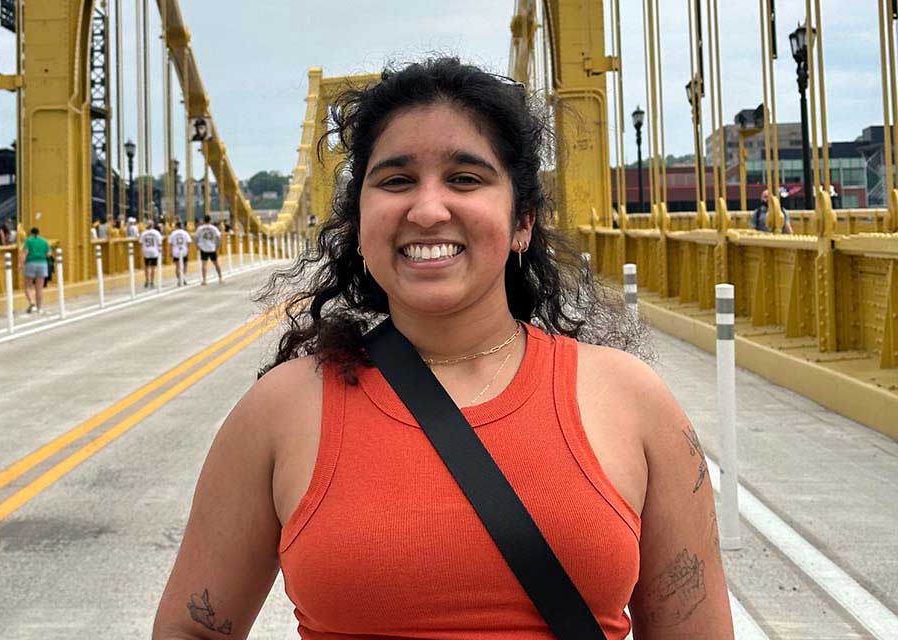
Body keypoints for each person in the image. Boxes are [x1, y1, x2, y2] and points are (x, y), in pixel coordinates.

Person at [152, 59, 733, 640]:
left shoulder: (632, 401)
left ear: (522, 222)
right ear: (359, 222)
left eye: (465, 179)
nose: (428, 210)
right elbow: (189, 628)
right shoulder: (279, 411)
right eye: (396, 181)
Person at [19, 227, 51, 314]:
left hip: (31, 264)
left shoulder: (28, 241)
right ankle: (39, 308)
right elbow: (49, 254)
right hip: (42, 264)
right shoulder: (44, 241)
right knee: (39, 288)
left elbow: (24, 253)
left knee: (27, 286)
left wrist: (20, 265)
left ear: (31, 233)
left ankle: (32, 302)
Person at [193, 214, 222, 285]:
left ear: (203, 220)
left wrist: (197, 245)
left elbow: (196, 237)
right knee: (216, 263)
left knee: (204, 264)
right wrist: (218, 246)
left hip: (203, 247)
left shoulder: (200, 228)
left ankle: (204, 280)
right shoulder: (214, 228)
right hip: (212, 247)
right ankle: (220, 277)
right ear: (210, 220)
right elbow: (218, 237)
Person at [139, 222, 163, 288]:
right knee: (153, 267)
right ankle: (152, 281)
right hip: (154, 251)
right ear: (152, 226)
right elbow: (160, 242)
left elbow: (140, 243)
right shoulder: (156, 233)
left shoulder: (144, 233)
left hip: (146, 251)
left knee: (146, 267)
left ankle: (147, 280)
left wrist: (140, 251)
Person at [168, 220, 192, 286]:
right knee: (185, 264)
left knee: (177, 266)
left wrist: (170, 252)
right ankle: (183, 278)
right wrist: (188, 249)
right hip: (184, 250)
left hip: (176, 251)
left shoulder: (173, 233)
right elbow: (189, 242)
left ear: (176, 226)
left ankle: (179, 279)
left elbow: (170, 244)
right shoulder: (185, 233)